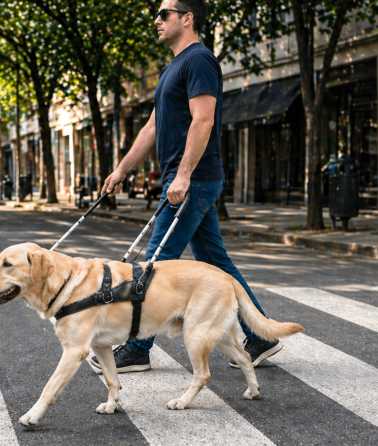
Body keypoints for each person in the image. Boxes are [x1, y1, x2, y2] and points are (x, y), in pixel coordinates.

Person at [89, 0, 284, 374]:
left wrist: (182, 175)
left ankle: (138, 347)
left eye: (164, 14)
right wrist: (121, 171)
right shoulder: (173, 67)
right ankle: (261, 336)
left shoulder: (199, 60)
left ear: (187, 18)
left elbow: (204, 119)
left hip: (191, 180)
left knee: (158, 264)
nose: (157, 20)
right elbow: (151, 128)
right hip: (188, 180)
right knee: (215, 261)